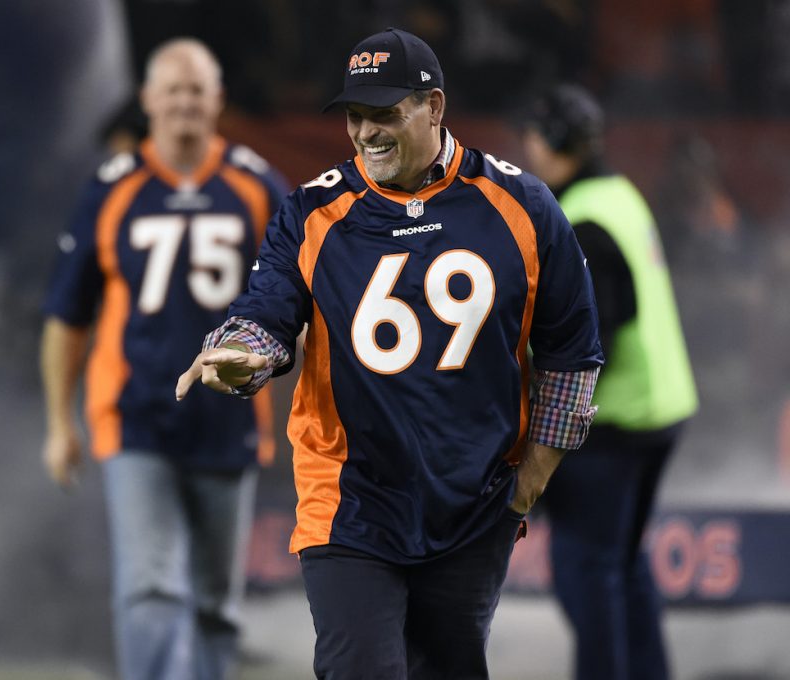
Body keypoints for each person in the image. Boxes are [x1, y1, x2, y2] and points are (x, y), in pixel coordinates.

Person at [177, 28, 604, 679]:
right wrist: (239, 356)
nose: (366, 132)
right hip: (350, 501)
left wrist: (531, 482)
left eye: (385, 114)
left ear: (433, 108)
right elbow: (264, 315)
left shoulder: (524, 205)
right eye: (356, 115)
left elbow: (572, 350)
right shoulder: (312, 212)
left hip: (471, 503)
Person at [40, 38, 287, 680]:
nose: (183, 102)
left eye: (196, 90)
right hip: (134, 413)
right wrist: (60, 422)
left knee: (213, 604)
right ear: (147, 100)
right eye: (172, 90)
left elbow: (304, 298)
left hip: (228, 417)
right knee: (151, 586)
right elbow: (68, 318)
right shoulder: (113, 190)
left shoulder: (256, 184)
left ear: (218, 101)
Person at [519, 84, 698, 680]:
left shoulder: (581, 219)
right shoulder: (617, 195)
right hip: (659, 412)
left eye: (534, 137)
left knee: (586, 574)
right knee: (624, 564)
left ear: (553, 143)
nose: (526, 148)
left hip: (613, 426)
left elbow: (595, 335)